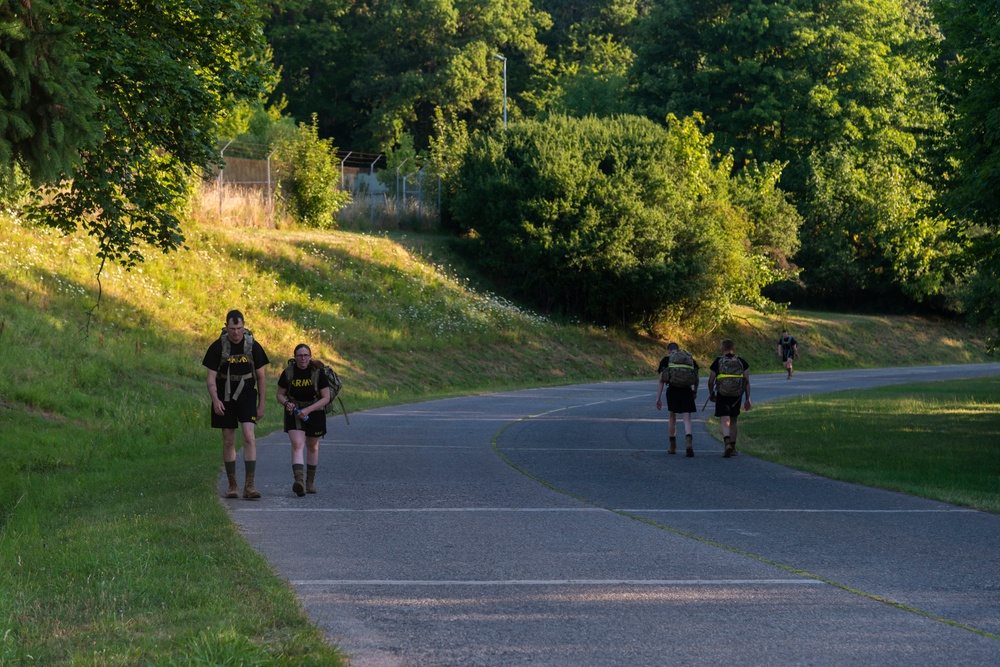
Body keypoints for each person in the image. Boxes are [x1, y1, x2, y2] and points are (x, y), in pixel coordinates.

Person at [202, 310, 270, 499]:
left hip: (247, 394)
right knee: (228, 439)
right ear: (226, 326)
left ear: (244, 326)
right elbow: (210, 378)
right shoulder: (217, 347)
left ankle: (250, 485)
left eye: (239, 328)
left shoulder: (253, 346)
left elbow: (262, 377)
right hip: (224, 395)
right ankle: (233, 485)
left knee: (249, 436)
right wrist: (215, 400)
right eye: (232, 329)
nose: (236, 333)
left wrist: (261, 404)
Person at [276, 344, 332, 496]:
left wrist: (308, 410)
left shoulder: (318, 373)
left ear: (310, 356)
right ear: (294, 357)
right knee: (297, 444)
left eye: (306, 355)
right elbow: (280, 394)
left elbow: (326, 397)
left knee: (312, 446)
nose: (303, 358)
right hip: (294, 411)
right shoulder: (288, 372)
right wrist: (286, 403)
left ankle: (309, 482)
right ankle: (299, 481)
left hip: (315, 411)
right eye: (299, 355)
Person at [707, 338, 751, 458]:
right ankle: (733, 447)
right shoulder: (741, 361)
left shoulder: (718, 361)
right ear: (733, 348)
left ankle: (726, 444)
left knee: (724, 419)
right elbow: (746, 381)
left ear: (722, 349)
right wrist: (748, 399)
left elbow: (711, 381)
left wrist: (711, 394)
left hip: (722, 394)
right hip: (737, 395)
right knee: (733, 420)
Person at [655, 342, 699, 456]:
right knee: (687, 418)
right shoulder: (688, 359)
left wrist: (658, 398)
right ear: (678, 350)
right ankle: (689, 444)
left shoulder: (666, 360)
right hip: (687, 390)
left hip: (672, 390)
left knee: (672, 416)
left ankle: (672, 446)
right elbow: (696, 377)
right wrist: (695, 391)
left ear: (669, 350)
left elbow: (661, 380)